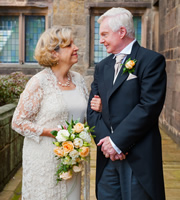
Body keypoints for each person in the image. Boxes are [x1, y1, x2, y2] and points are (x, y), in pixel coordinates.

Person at [87, 7, 166, 200]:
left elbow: (148, 107)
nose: (101, 40)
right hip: (107, 157)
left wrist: (118, 142)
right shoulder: (101, 66)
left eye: (105, 34)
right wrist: (108, 144)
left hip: (138, 157)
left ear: (121, 32)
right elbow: (92, 110)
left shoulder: (151, 61)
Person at [12, 26, 88, 200]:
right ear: (54, 53)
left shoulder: (79, 79)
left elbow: (84, 118)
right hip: (44, 159)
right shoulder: (38, 82)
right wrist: (50, 132)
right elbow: (17, 122)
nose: (76, 47)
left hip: (72, 159)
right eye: (69, 45)